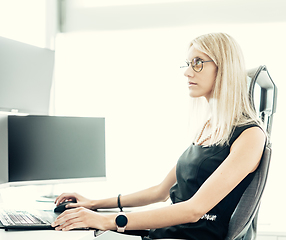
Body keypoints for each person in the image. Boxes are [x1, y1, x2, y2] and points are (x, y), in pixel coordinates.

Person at [51, 33, 266, 240]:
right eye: (188, 63)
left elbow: (194, 209)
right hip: (166, 232)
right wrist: (94, 204)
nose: (188, 72)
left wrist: (107, 220)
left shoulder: (250, 135)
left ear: (224, 67)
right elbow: (160, 192)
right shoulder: (209, 128)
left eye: (198, 62)